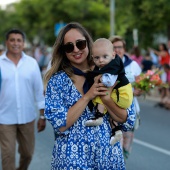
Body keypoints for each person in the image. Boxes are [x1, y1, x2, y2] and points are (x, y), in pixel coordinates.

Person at [44, 22, 136, 169]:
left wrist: (106, 98)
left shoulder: (112, 73)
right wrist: (88, 96)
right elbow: (59, 124)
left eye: (80, 44)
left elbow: (128, 120)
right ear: (63, 51)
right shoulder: (57, 81)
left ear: (88, 43)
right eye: (69, 46)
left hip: (108, 158)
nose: (75, 50)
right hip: (72, 160)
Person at [0, 29, 46, 170]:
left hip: (27, 117)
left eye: (18, 40)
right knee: (7, 155)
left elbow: (39, 91)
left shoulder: (31, 64)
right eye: (12, 40)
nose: (15, 43)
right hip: (4, 117)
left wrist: (42, 115)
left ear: (23, 43)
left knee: (27, 153)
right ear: (7, 42)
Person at [85, 38, 133, 145]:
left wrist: (98, 79)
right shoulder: (110, 64)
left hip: (122, 95)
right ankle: (116, 131)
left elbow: (108, 82)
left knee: (100, 95)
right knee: (112, 113)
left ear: (113, 55)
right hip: (122, 95)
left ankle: (99, 116)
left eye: (104, 57)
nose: (101, 60)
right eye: (97, 58)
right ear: (92, 57)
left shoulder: (112, 66)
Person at [109, 35, 142, 161]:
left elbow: (140, 83)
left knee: (126, 147)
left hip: (131, 110)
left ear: (124, 48)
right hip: (112, 111)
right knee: (114, 145)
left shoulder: (133, 65)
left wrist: (140, 90)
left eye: (120, 47)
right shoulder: (106, 64)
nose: (117, 49)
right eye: (114, 47)